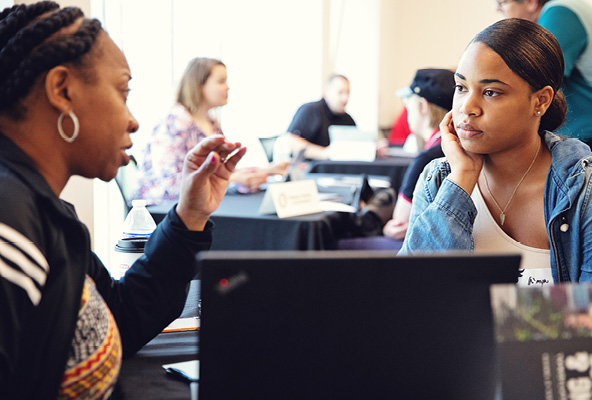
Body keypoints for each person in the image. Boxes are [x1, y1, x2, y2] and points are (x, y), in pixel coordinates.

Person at [0, 2, 245, 398]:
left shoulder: (45, 211)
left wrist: (190, 213)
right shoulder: (10, 218)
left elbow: (123, 316)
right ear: (62, 90)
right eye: (122, 91)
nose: (132, 119)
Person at [399, 18, 592, 285]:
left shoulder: (586, 189)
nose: (467, 107)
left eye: (491, 92)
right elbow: (410, 293)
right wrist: (461, 179)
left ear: (540, 101)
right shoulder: (436, 180)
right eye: (461, 87)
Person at [133, 57, 287, 204]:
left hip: (194, 203)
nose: (228, 87)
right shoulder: (174, 121)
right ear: (199, 85)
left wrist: (266, 170)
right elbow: (169, 183)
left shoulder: (211, 123)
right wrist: (233, 180)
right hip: (160, 207)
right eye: (221, 81)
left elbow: (219, 170)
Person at [496, 0, 592, 152]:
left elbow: (531, 74)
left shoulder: (560, 13)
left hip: (591, 131)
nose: (497, 9)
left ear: (531, 2)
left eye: (501, 2)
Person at [382, 69, 454, 241]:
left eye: (408, 103)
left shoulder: (428, 158)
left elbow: (398, 223)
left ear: (423, 106)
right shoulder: (460, 148)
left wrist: (385, 229)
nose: (406, 110)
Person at [285, 74, 356, 160]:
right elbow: (291, 143)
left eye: (347, 92)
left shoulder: (348, 120)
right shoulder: (310, 111)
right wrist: (324, 153)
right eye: (340, 92)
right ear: (327, 92)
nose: (345, 98)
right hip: (309, 169)